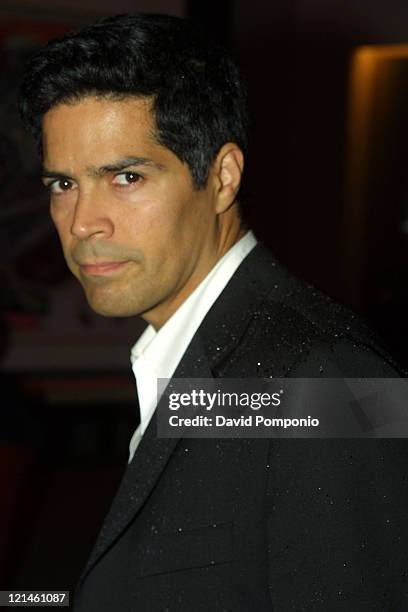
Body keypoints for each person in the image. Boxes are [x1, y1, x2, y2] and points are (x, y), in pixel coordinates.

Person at [19, 13, 408, 611]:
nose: (81, 223)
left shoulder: (326, 379)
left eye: (124, 177)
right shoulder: (196, 354)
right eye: (62, 184)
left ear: (222, 177)